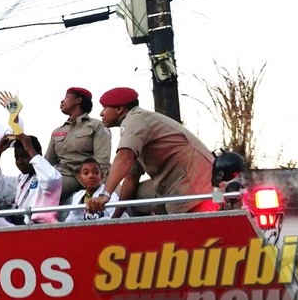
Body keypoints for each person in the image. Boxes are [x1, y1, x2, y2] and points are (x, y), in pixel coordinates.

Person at [86, 87, 217, 216]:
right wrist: (115, 219)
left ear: (119, 109)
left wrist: (105, 194)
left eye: (104, 108)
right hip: (188, 183)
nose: (101, 114)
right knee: (136, 194)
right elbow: (131, 178)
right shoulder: (138, 128)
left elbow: (124, 156)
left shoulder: (134, 119)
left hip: (196, 186)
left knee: (188, 231)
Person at [44, 87, 112, 207]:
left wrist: (96, 184)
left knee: (119, 199)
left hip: (90, 173)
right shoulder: (58, 131)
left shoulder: (96, 126)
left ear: (78, 100)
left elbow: (102, 158)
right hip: (65, 174)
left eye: (66, 97)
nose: (61, 101)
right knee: (43, 190)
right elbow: (47, 163)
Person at [0, 134, 62, 225]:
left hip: (39, 227)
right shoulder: (22, 178)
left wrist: (29, 148)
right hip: (20, 226)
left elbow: (50, 179)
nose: (20, 162)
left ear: (37, 154)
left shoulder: (49, 175)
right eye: (17, 158)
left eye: (25, 156)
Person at [64, 158, 128, 222]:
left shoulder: (109, 195)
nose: (91, 176)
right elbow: (72, 219)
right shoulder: (77, 197)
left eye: (96, 172)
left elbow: (116, 218)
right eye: (86, 173)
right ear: (79, 177)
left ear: (102, 176)